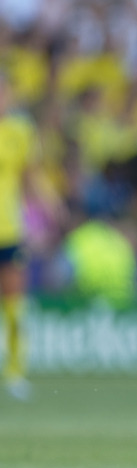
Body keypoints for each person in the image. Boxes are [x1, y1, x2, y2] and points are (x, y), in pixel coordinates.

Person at [0, 75, 60, 401]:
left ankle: (15, 372)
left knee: (14, 306)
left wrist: (52, 207)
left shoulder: (20, 131)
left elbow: (30, 177)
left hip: (9, 230)